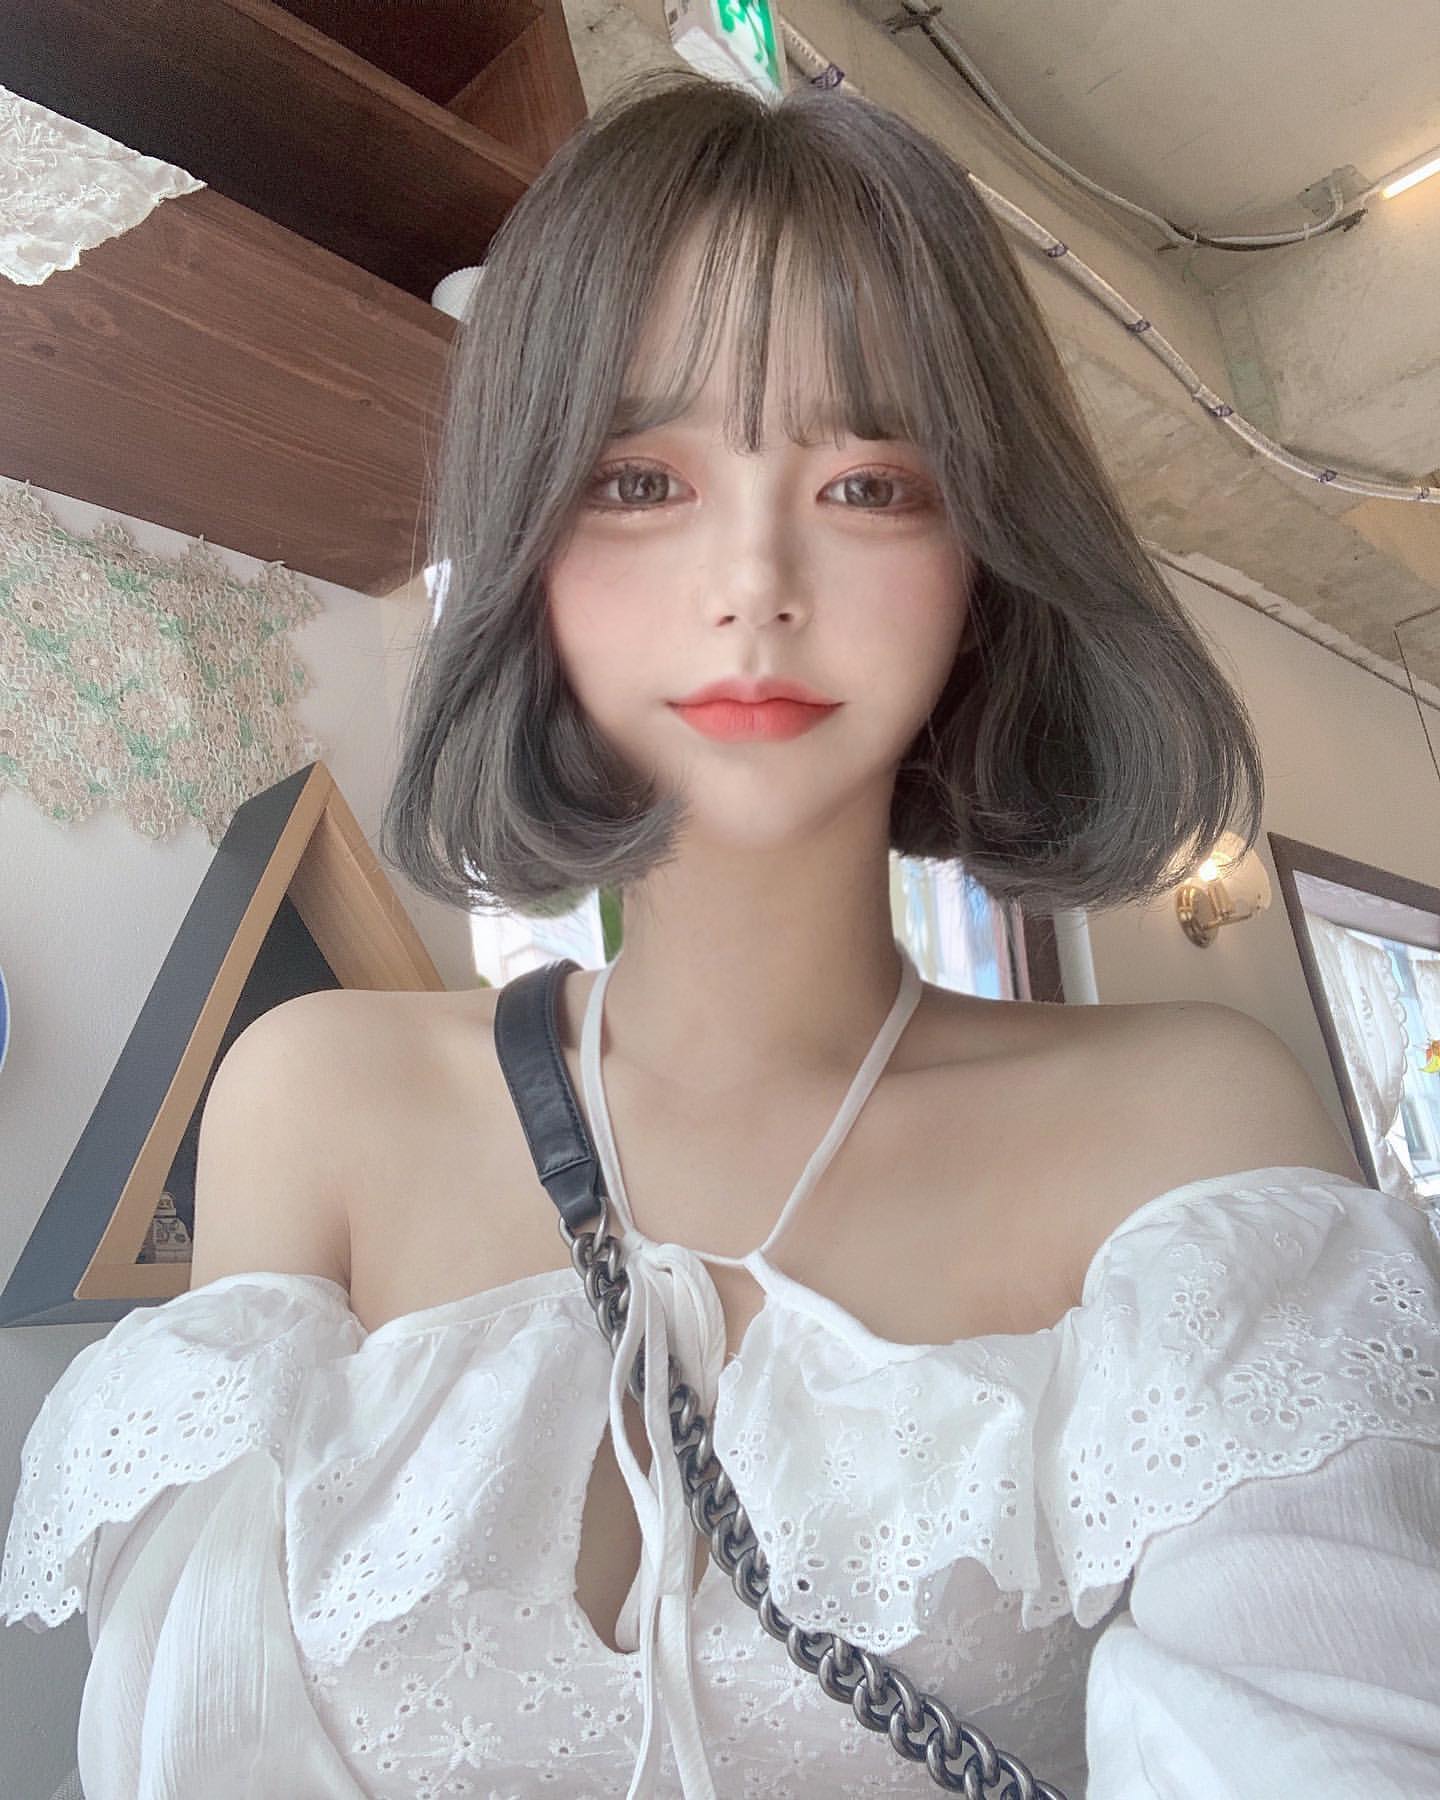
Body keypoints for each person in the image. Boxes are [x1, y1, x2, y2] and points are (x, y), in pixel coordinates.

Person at [4, 65, 1439, 1800]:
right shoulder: (315, 1100)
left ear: (985, 554)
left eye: (871, 483)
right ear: (528, 539)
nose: (755, 580)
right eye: (637, 479)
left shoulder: (1189, 1135)